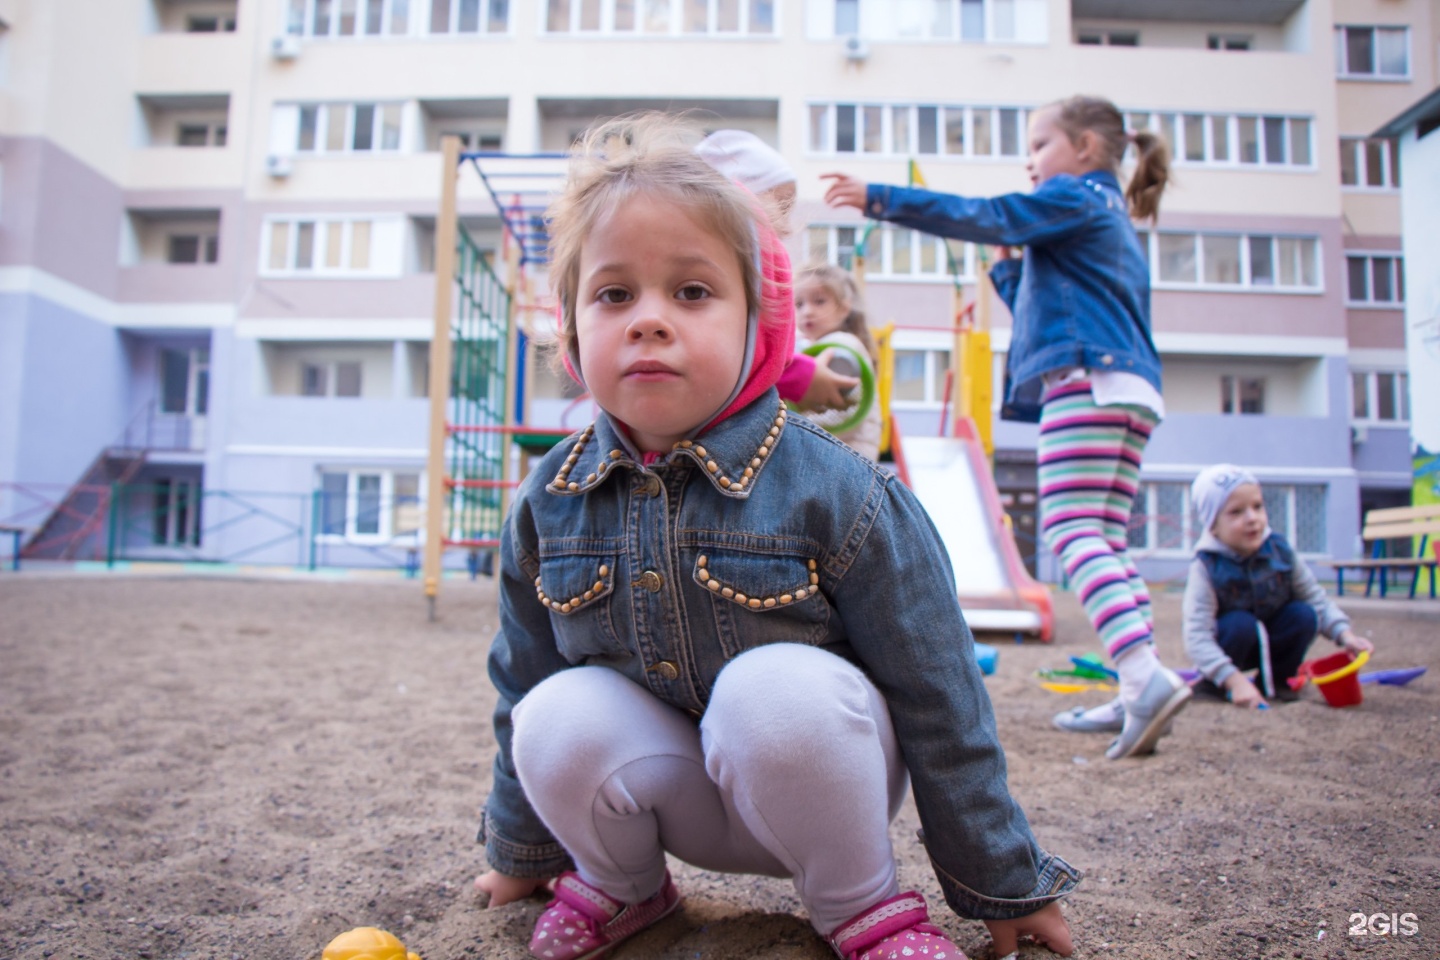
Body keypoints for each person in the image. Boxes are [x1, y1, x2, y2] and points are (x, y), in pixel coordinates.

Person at [474, 113, 1079, 960]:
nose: (648, 319)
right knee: (552, 714)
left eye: (692, 292)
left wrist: (999, 880)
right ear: (572, 329)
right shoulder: (553, 498)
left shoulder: (838, 489)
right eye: (614, 294)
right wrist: (520, 848)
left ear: (761, 321)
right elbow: (521, 675)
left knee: (777, 691)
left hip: (821, 784)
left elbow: (940, 692)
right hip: (671, 794)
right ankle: (622, 885)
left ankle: (860, 906)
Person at [823, 95, 1185, 760]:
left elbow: (983, 214)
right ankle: (1141, 686)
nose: (1030, 160)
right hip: (1130, 388)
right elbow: (1049, 303)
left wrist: (879, 196)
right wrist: (1013, 267)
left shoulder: (1074, 197)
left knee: (1072, 532)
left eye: (1041, 144)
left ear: (1083, 150)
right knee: (1105, 536)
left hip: (1087, 382)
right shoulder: (1108, 215)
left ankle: (1141, 675)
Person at [1183, 464, 1375, 707]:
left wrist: (1345, 635)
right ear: (1212, 525)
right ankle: (1214, 686)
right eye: (1236, 512)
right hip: (1231, 649)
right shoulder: (1205, 566)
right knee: (1240, 623)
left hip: (1273, 643)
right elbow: (1197, 636)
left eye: (1257, 507)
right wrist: (1233, 680)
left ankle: (1277, 681)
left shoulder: (1280, 551)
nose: (1252, 518)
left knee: (1303, 614)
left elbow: (1315, 598)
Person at [697, 128, 860, 415]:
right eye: (779, 206)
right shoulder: (733, 262)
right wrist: (799, 377)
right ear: (739, 200)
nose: (784, 225)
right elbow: (742, 347)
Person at [793, 262, 882, 460]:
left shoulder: (841, 347)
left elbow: (838, 409)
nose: (807, 311)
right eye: (799, 304)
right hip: (843, 453)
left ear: (844, 308)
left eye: (819, 301)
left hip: (847, 455)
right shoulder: (824, 345)